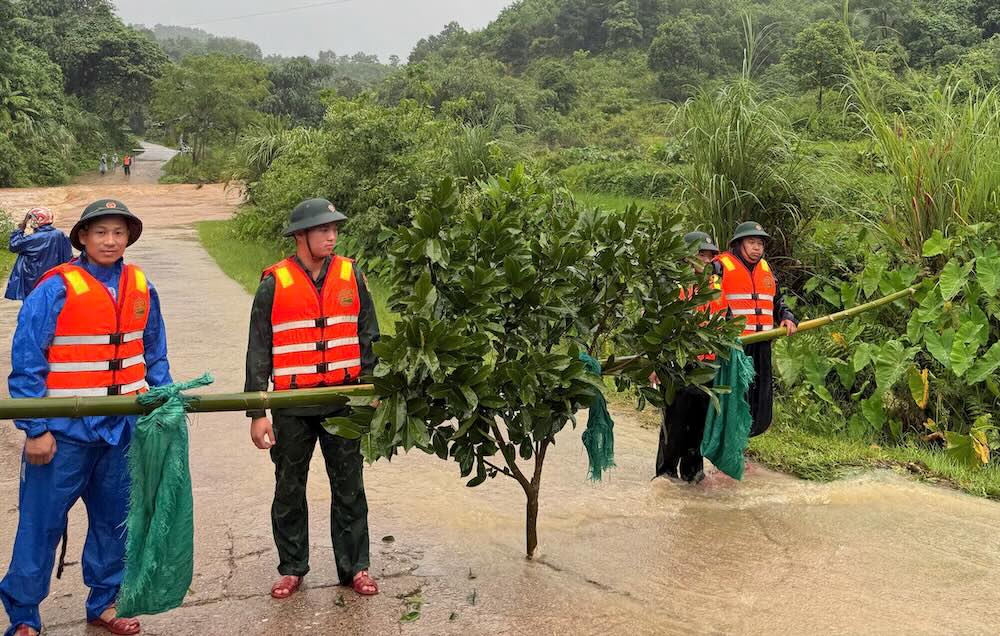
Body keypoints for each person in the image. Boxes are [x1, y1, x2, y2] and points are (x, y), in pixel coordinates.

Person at [0, 200, 172, 636]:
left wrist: (164, 405)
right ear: (81, 238)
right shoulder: (54, 287)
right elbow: (27, 361)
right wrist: (35, 429)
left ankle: (105, 603)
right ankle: (23, 616)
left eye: (118, 232)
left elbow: (155, 355)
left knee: (116, 523)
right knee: (41, 525)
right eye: (101, 233)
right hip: (62, 434)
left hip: (121, 431)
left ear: (129, 237)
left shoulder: (142, 286)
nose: (110, 241)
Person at [244, 198, 381, 600]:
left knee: (350, 487)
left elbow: (368, 335)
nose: (332, 235)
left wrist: (371, 388)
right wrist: (258, 412)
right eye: (323, 229)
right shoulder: (273, 283)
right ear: (300, 235)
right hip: (292, 406)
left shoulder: (351, 275)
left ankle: (355, 567)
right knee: (288, 489)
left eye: (335, 228)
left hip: (343, 401)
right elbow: (258, 350)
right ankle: (292, 568)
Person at [712, 222, 798, 438]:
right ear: (739, 244)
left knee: (758, 400)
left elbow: (778, 302)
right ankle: (730, 449)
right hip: (735, 347)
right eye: (751, 242)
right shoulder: (720, 267)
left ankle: (743, 447)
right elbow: (707, 302)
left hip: (762, 344)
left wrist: (787, 317)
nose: (757, 248)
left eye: (760, 243)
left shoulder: (766, 269)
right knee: (735, 400)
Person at [654, 231, 723, 484]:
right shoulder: (672, 286)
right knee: (674, 424)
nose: (705, 260)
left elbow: (724, 321)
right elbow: (659, 328)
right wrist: (656, 364)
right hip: (678, 365)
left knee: (698, 426)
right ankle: (666, 474)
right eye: (700, 255)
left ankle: (694, 476)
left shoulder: (716, 285)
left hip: (706, 364)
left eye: (708, 256)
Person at [4, 208, 73, 301]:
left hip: (33, 280)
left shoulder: (33, 239)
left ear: (38, 220)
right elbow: (69, 256)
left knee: (32, 308)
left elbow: (14, 246)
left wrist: (21, 228)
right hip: (56, 278)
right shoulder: (60, 234)